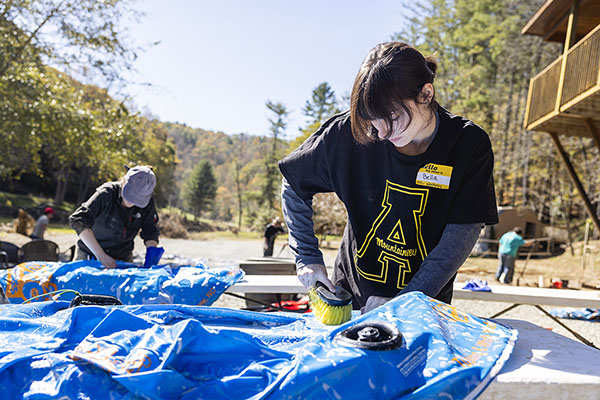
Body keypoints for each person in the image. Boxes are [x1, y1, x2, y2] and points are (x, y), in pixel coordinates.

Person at [279, 42, 498, 314]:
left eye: (392, 116)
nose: (381, 132)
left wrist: (406, 302)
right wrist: (308, 257)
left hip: (423, 307)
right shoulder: (349, 133)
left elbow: (462, 233)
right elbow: (294, 183)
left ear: (425, 94)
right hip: (350, 299)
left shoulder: (467, 145)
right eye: (373, 119)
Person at [69, 165, 160, 268]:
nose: (131, 202)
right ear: (124, 181)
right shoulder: (106, 193)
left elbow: (150, 229)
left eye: (138, 199)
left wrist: (151, 255)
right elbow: (78, 220)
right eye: (130, 194)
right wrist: (101, 255)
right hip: (90, 252)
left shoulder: (148, 201)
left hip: (123, 255)